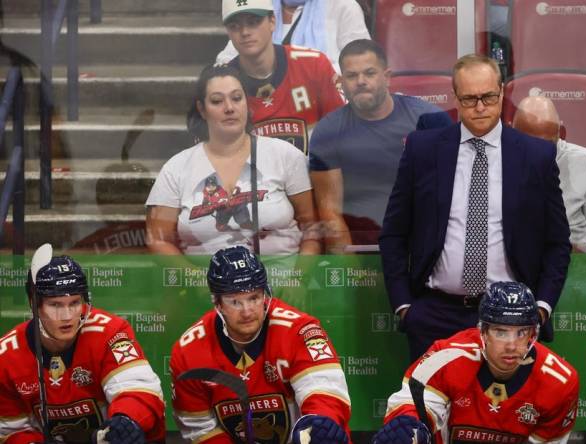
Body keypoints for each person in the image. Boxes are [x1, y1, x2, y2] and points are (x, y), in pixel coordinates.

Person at [379, 54, 571, 361]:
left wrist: (541, 307)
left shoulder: (536, 156)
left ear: (502, 92)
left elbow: (557, 242)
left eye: (488, 97)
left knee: (506, 408)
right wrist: (405, 307)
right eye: (469, 99)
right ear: (455, 97)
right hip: (435, 314)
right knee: (431, 407)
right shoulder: (423, 150)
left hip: (513, 316)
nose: (480, 107)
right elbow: (394, 234)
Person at [169, 246, 351, 444]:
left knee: (324, 435)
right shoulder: (189, 351)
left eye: (254, 298)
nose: (247, 311)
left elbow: (324, 392)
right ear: (218, 303)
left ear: (265, 295)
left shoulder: (300, 330)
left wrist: (313, 428)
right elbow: (200, 430)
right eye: (235, 302)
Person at [373, 282, 579, 444]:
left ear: (533, 334)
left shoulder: (560, 382)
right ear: (483, 332)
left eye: (522, 332)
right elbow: (408, 407)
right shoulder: (443, 357)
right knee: (399, 435)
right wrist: (411, 425)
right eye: (500, 331)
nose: (511, 345)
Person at [146, 64, 320, 255]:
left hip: (281, 279)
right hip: (204, 281)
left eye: (237, 98)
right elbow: (158, 239)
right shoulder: (176, 168)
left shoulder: (286, 155)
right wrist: (196, 282)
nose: (229, 108)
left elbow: (312, 229)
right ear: (202, 109)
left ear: (247, 103)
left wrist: (298, 281)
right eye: (217, 101)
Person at [0, 254, 165, 443]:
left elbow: (139, 390)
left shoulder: (111, 331)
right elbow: (9, 432)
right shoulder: (6, 356)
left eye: (75, 303)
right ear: (34, 304)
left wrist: (126, 420)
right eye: (55, 305)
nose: (67, 316)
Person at [309, 39, 448, 252]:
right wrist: (351, 273)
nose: (361, 81)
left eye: (370, 73)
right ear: (341, 83)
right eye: (352, 76)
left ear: (387, 77)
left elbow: (448, 195)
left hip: (421, 243)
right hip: (359, 247)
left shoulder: (429, 120)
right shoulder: (327, 132)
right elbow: (331, 213)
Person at [220, 0, 346, 155]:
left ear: (272, 21)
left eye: (253, 22)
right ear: (228, 32)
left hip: (316, 174)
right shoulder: (220, 85)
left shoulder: (314, 65)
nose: (245, 32)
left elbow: (343, 134)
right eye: (235, 26)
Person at [512, 96, 586, 253]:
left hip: (574, 263)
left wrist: (584, 249)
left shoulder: (585, 161)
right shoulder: (497, 161)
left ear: (561, 133)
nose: (538, 154)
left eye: (547, 145)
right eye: (529, 145)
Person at [216, 0, 371, 73]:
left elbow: (362, 63)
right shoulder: (260, 5)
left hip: (323, 100)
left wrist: (308, 76)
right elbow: (225, 61)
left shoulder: (343, 7)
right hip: (266, 99)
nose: (245, 30)